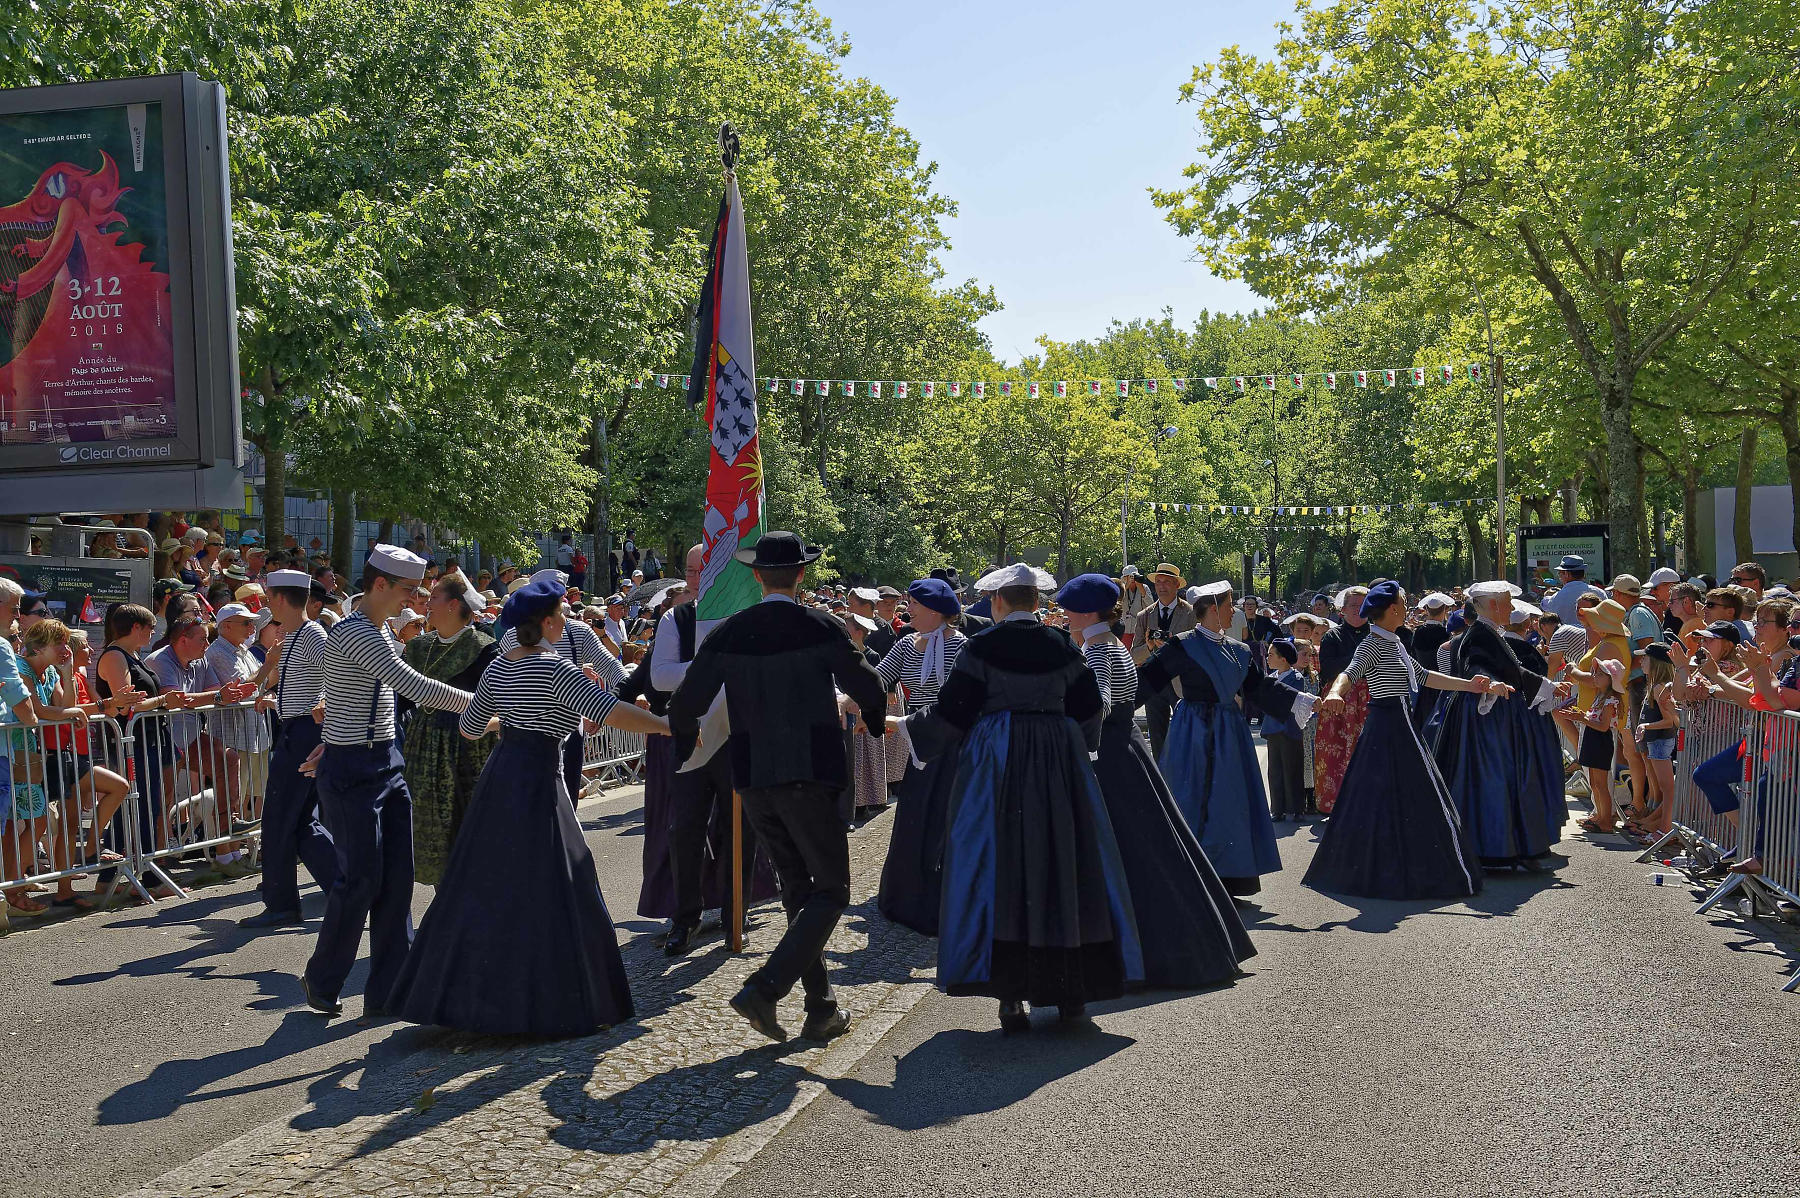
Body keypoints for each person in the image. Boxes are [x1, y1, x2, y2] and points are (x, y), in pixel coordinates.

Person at [386, 576, 669, 1037]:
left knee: (484, 883)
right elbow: (609, 712)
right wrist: (663, 726)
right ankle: (548, 1000)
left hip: (500, 778)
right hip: (539, 779)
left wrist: (514, 717)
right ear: (548, 621)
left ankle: (466, 998)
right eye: (561, 613)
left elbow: (472, 727)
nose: (567, 620)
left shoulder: (500, 667)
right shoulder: (556, 670)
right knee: (559, 882)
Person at [894, 562, 1139, 1033]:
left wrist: (909, 728)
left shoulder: (981, 647)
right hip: (1057, 764)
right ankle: (1071, 997)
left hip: (998, 765)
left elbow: (953, 712)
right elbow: (1089, 711)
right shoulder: (1065, 646)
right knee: (1064, 862)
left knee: (999, 864)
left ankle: (1010, 998)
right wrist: (1074, 747)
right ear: (1036, 602)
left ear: (999, 602)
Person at [670, 531, 888, 1044]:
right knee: (831, 890)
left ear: (754, 575)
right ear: (802, 574)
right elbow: (868, 687)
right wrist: (875, 723)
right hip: (812, 772)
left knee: (798, 889)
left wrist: (685, 747)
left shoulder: (729, 632)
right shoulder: (820, 625)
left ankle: (821, 1007)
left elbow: (685, 703)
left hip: (755, 776)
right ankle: (767, 988)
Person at [298, 545, 475, 1019]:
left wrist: (331, 738)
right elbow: (413, 687)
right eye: (406, 590)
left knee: (396, 881)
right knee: (360, 880)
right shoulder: (360, 634)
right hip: (356, 770)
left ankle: (391, 989)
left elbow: (367, 701)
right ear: (379, 585)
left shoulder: (375, 631)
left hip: (382, 763)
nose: (414, 600)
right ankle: (322, 978)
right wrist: (486, 708)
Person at [1060, 573, 1254, 989]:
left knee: (1128, 850)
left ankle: (1133, 952)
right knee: (1154, 845)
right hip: (1130, 751)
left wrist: (1061, 731)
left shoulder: (1096, 649)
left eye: (1069, 609)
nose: (1065, 615)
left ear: (1086, 612)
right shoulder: (1110, 644)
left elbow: (1101, 704)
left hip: (1110, 756)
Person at [1304, 582, 1505, 900]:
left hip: (1398, 723)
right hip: (1389, 724)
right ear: (1395, 609)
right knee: (1419, 793)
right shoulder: (1372, 644)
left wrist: (1473, 685)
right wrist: (1333, 692)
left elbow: (1424, 676)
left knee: (1395, 797)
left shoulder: (1394, 642)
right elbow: (1349, 673)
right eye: (1402, 602)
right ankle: (1403, 870)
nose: (1408, 607)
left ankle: (1397, 865)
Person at [1138, 579, 1313, 897]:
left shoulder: (1239, 650)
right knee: (1192, 797)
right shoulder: (1181, 645)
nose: (1235, 611)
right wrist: (1112, 711)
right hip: (1192, 733)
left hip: (1229, 736)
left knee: (1228, 803)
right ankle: (1190, 872)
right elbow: (1147, 680)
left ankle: (1229, 876)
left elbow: (1260, 689)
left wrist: (1303, 701)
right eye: (1230, 604)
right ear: (1213, 608)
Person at [648, 545, 777, 955]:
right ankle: (686, 918)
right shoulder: (677, 618)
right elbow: (661, 676)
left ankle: (734, 911)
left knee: (740, 829)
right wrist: (713, 665)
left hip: (740, 736)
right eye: (688, 571)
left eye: (701, 570)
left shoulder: (750, 620)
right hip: (693, 738)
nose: (693, 578)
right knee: (683, 829)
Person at [1431, 582, 1566, 871]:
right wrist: (1490, 684)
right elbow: (1476, 667)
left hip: (1494, 713)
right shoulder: (1480, 635)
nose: (1512, 608)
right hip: (1486, 717)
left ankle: (1504, 845)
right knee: (1492, 777)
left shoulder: (1489, 633)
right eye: (1507, 603)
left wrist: (1547, 686)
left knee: (1496, 778)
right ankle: (1492, 846)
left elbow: (1513, 671)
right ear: (1493, 605)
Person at [237, 571, 340, 929]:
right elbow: (298, 686)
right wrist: (273, 698)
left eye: (269, 596)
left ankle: (283, 904)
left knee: (281, 818)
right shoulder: (295, 635)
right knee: (298, 821)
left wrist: (325, 699)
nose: (265, 602)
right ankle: (348, 889)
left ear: (281, 599)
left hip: (306, 733)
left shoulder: (311, 634)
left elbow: (336, 675)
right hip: (297, 729)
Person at [873, 577, 967, 936]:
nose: (907, 609)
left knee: (947, 817)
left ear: (934, 611)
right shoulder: (906, 645)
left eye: (913, 604)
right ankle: (908, 897)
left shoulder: (962, 648)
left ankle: (947, 899)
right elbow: (879, 679)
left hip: (954, 743)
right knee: (915, 814)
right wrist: (847, 696)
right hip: (918, 744)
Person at [401, 573, 500, 886]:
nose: (427, 604)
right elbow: (398, 700)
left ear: (453, 605)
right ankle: (446, 903)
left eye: (433, 598)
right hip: (423, 746)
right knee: (428, 827)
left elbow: (496, 702)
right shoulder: (417, 648)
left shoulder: (484, 649)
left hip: (468, 746)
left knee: (467, 825)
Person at [498, 570, 621, 803]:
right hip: (529, 733)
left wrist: (618, 696)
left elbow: (612, 668)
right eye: (558, 601)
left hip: (566, 728)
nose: (563, 609)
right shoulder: (512, 638)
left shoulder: (580, 632)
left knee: (565, 800)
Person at [1564, 598, 1633, 835]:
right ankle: (1601, 814)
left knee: (1602, 780)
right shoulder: (1611, 642)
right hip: (1593, 714)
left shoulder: (1610, 646)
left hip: (1598, 727)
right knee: (1596, 779)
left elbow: (1594, 682)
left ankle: (1605, 817)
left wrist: (1573, 671)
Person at [1128, 563, 1196, 758]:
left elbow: (1196, 649)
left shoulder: (1191, 614)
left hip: (1181, 682)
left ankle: (1183, 773)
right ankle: (1161, 779)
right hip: (1154, 682)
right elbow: (1134, 654)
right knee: (1157, 736)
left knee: (1185, 731)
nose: (1161, 586)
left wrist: (1175, 644)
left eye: (1167, 581)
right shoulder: (1144, 615)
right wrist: (1150, 647)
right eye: (1158, 582)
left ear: (1177, 585)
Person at [1313, 586, 1370, 814]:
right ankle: (1336, 806)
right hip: (1338, 703)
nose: (1358, 610)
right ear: (1343, 609)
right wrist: (1361, 657)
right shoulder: (1331, 636)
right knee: (1334, 753)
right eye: (1353, 605)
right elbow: (1328, 669)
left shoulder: (1376, 634)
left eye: (1362, 605)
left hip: (1369, 702)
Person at [1262, 639, 1310, 823]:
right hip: (1273, 728)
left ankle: (1297, 808)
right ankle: (1277, 808)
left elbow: (1289, 701)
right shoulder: (1270, 678)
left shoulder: (1296, 678)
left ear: (1283, 659)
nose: (1268, 658)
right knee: (1275, 770)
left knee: (1293, 768)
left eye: (1271, 655)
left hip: (1289, 728)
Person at [1542, 555, 1603, 624]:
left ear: (1567, 574)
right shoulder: (1600, 593)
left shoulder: (1555, 598)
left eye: (1560, 573)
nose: (1559, 577)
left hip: (1565, 634)